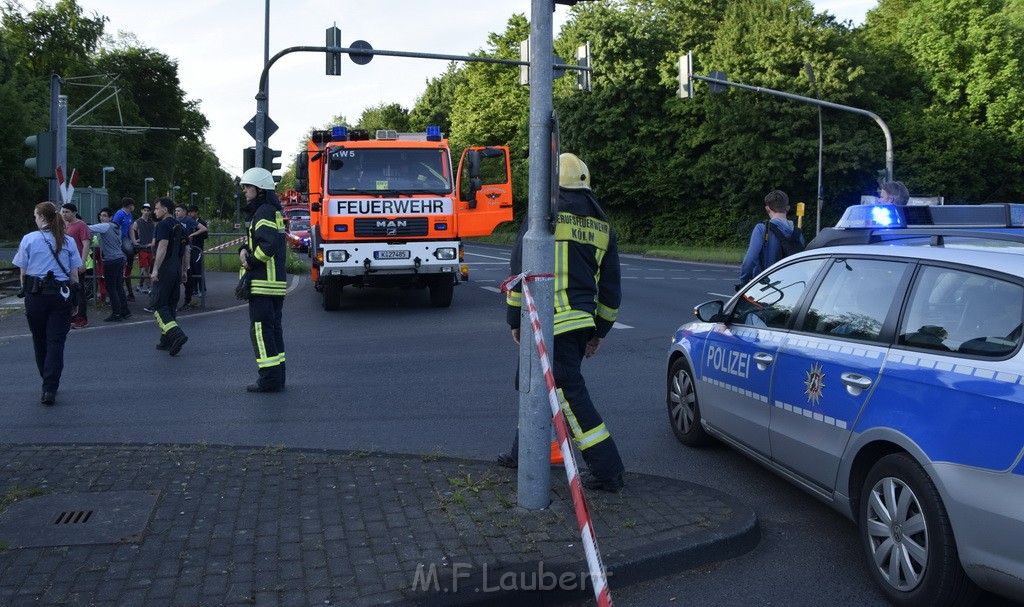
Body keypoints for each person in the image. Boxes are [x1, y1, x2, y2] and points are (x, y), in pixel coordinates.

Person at [497, 153, 626, 492]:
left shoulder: (543, 219)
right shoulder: (601, 227)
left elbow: (518, 272)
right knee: (532, 386)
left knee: (569, 396)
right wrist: (598, 331)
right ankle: (520, 454)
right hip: (579, 324)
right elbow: (611, 291)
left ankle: (608, 470)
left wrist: (515, 320)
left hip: (547, 321)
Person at [13, 202, 83, 405]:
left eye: (35, 215)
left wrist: (26, 293)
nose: (35, 219)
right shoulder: (67, 240)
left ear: (42, 217)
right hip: (60, 296)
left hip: (36, 296)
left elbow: (23, 272)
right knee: (56, 342)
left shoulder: (29, 239)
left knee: (40, 339)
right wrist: (75, 300)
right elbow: (74, 275)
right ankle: (50, 387)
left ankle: (46, 379)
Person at [238, 167, 288, 393]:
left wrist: (250, 262)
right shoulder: (270, 211)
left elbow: (267, 245)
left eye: (248, 186)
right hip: (273, 284)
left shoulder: (263, 212)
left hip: (262, 283)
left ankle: (268, 380)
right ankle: (277, 378)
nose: (245, 190)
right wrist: (243, 248)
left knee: (260, 331)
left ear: (259, 190)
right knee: (273, 330)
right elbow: (260, 240)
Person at [738, 189, 805, 288]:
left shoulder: (762, 229)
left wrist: (744, 281)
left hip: (765, 288)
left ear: (767, 209)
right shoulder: (798, 233)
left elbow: (750, 260)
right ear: (787, 208)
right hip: (790, 287)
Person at [149, 197, 189, 356]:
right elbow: (186, 251)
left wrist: (155, 269)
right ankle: (166, 340)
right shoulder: (181, 226)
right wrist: (184, 271)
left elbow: (163, 246)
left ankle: (176, 335)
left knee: (157, 304)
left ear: (165, 210)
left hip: (165, 267)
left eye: (157, 208)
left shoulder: (163, 225)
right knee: (170, 305)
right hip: (177, 267)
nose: (155, 211)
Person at [88, 207, 131, 322]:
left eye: (105, 215)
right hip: (119, 258)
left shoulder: (105, 226)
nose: (102, 218)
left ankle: (116, 313)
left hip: (111, 260)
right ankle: (125, 311)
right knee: (118, 286)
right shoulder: (116, 227)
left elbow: (88, 228)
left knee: (111, 288)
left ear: (111, 217)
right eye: (101, 215)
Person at [61, 203, 91, 329]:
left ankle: (82, 317)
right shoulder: (64, 225)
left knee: (79, 291)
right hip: (65, 264)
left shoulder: (81, 225)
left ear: (74, 213)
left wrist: (82, 262)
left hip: (76, 263)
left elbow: (86, 244)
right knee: (68, 291)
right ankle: (72, 314)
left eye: (67, 212)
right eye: (63, 211)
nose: (64, 214)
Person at [112, 197, 137, 300]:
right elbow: (113, 226)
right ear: (130, 206)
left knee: (131, 250)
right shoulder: (120, 214)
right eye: (133, 205)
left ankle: (128, 268)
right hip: (119, 237)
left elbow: (131, 228)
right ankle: (126, 270)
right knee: (128, 251)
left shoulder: (130, 215)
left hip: (125, 237)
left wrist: (134, 241)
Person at [186, 204, 209, 303]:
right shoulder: (187, 222)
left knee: (198, 269)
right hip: (189, 249)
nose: (190, 214)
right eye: (189, 212)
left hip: (198, 248)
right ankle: (194, 289)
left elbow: (205, 235)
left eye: (192, 212)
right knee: (190, 269)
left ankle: (202, 290)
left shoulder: (201, 222)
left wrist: (196, 233)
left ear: (196, 212)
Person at [131, 203, 155, 294]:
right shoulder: (137, 222)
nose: (146, 212)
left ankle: (139, 285)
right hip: (142, 248)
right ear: (141, 210)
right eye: (144, 210)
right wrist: (135, 241)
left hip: (151, 247)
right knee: (145, 268)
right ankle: (150, 287)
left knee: (146, 267)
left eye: (148, 210)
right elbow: (132, 233)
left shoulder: (151, 222)